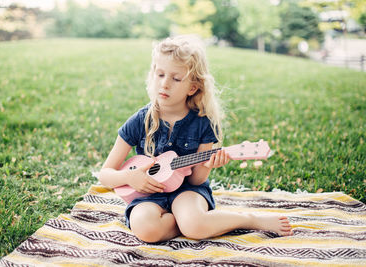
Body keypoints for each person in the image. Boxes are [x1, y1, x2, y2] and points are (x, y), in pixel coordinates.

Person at [97, 35, 292, 243]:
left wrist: (207, 165)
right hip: (148, 195)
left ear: (192, 87)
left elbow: (195, 179)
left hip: (187, 191)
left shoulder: (203, 122)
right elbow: (105, 174)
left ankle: (249, 220)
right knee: (146, 228)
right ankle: (181, 223)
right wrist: (129, 178)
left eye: (176, 78)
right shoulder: (140, 120)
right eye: (160, 74)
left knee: (194, 225)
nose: (164, 84)